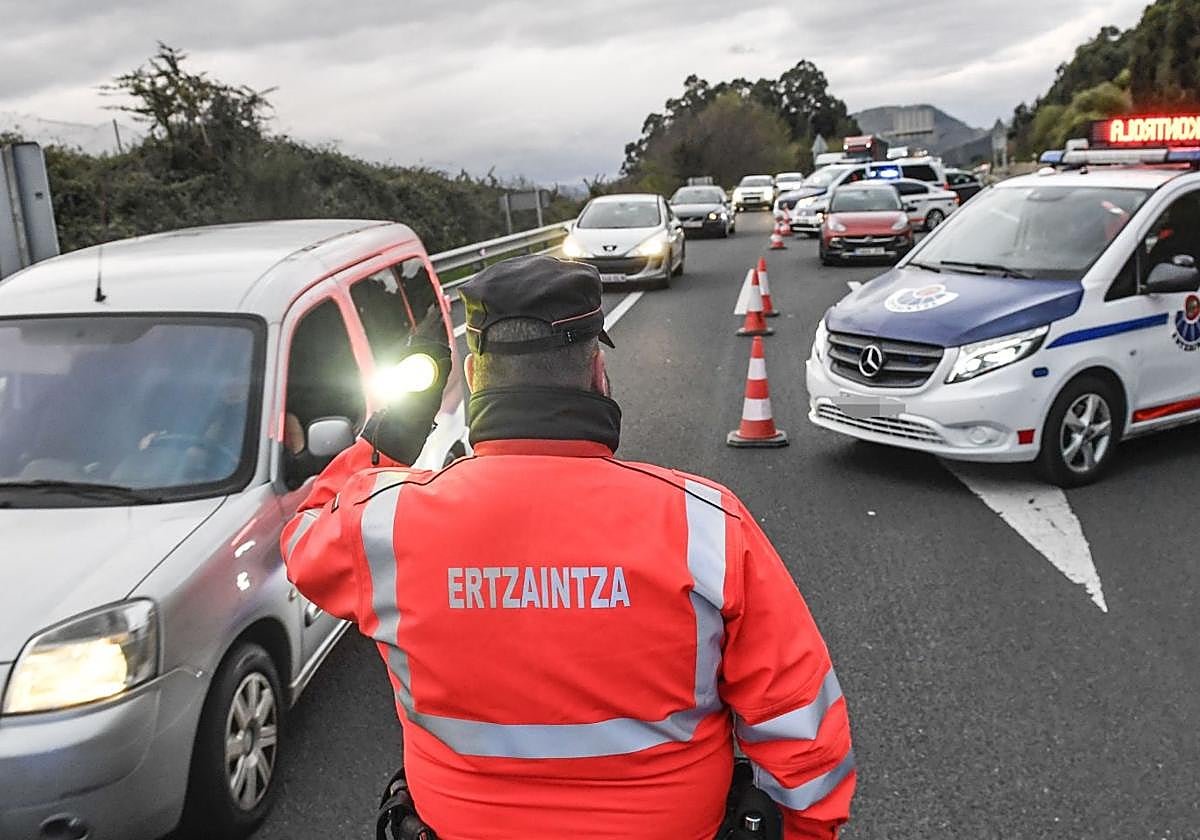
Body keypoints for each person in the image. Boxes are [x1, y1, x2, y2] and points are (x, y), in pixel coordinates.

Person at [282, 255, 855, 840]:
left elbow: (302, 539)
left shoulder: (384, 524)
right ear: (597, 372)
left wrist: (397, 425)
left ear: (476, 379)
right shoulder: (706, 524)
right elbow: (802, 726)